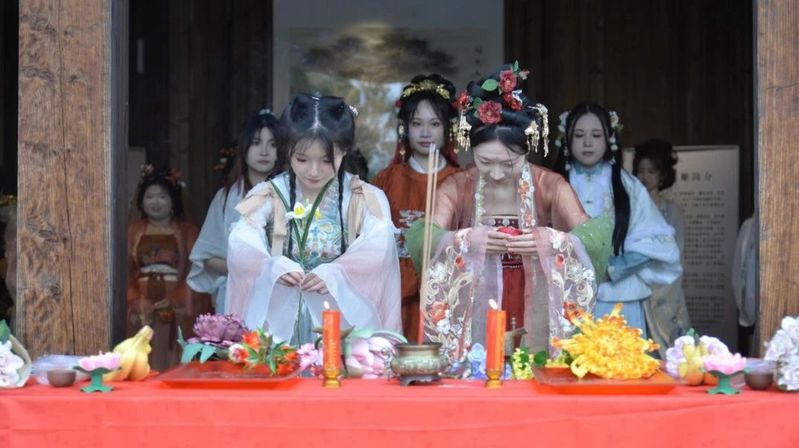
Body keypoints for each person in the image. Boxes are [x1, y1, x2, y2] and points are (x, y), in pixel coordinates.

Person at [408, 64, 611, 362]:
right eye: (485, 162)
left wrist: (550, 241)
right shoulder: (457, 186)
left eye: (509, 163)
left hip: (536, 299)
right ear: (471, 150)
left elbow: (594, 238)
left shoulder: (549, 184)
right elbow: (424, 238)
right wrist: (467, 240)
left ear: (527, 151)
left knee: (533, 368)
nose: (497, 173)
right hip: (476, 299)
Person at [226, 94, 401, 346]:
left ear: (344, 150)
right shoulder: (269, 194)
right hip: (280, 325)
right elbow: (241, 241)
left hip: (340, 322)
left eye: (327, 160)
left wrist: (338, 272)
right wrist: (271, 267)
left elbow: (380, 245)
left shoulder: (364, 197)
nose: (314, 171)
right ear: (287, 150)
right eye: (302, 159)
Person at [554, 103, 681, 339]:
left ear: (609, 139)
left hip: (619, 297)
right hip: (565, 296)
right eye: (579, 135)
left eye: (596, 135)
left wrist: (612, 269)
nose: (588, 143)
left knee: (621, 359)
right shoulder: (552, 184)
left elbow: (657, 242)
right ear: (567, 139)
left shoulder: (628, 186)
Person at [372, 74, 461, 342]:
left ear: (447, 128)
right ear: (405, 129)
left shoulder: (462, 181)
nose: (425, 132)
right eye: (416, 123)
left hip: (446, 294)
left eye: (434, 124)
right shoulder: (385, 181)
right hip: (396, 292)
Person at [188, 109, 280, 313]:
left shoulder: (291, 196)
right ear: (244, 148)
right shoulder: (226, 197)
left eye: (273, 144)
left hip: (280, 294)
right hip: (235, 293)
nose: (264, 151)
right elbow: (207, 256)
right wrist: (247, 269)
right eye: (256, 143)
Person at [127, 166, 211, 371]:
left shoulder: (188, 232)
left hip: (175, 302)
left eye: (162, 196)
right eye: (149, 197)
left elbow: (196, 271)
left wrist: (176, 298)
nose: (155, 202)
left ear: (173, 200)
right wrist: (136, 299)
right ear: (141, 201)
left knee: (173, 353)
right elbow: (124, 272)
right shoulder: (132, 232)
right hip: (142, 302)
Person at [632, 138, 691, 356]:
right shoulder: (631, 209)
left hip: (665, 287)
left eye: (651, 171)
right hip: (636, 283)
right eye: (640, 171)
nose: (645, 177)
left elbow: (677, 254)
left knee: (670, 353)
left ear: (662, 175)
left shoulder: (672, 211)